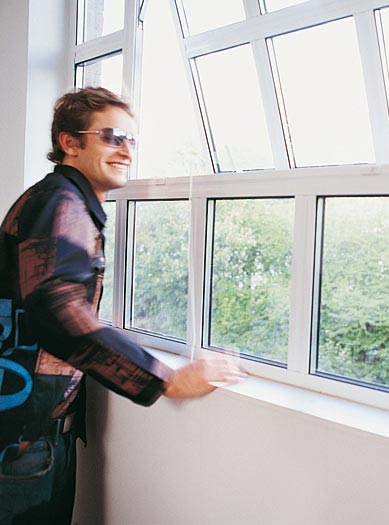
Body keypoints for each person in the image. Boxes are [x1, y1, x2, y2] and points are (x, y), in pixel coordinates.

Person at [0, 87, 247, 523]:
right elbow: (58, 310)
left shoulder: (58, 199)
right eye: (112, 137)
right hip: (23, 442)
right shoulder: (62, 203)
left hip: (26, 434)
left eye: (131, 139)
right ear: (70, 143)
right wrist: (167, 379)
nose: (126, 151)